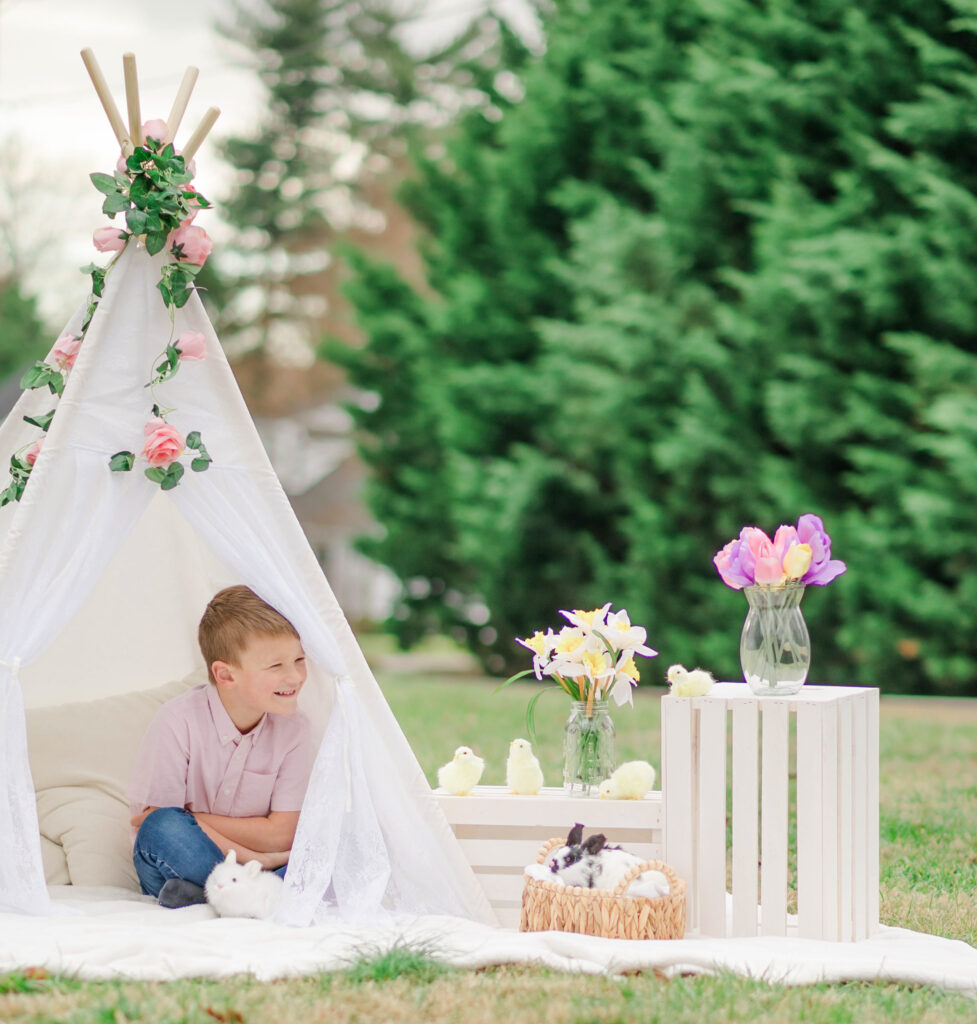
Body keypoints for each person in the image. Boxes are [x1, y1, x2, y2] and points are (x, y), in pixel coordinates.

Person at [129, 585, 313, 908]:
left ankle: (209, 899)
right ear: (226, 675)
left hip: (239, 866)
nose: (295, 676)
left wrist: (195, 818)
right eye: (276, 666)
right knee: (163, 827)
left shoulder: (295, 730)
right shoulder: (177, 721)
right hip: (195, 860)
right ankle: (255, 894)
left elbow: (283, 835)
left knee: (340, 836)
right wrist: (261, 860)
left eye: (299, 659)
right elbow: (152, 822)